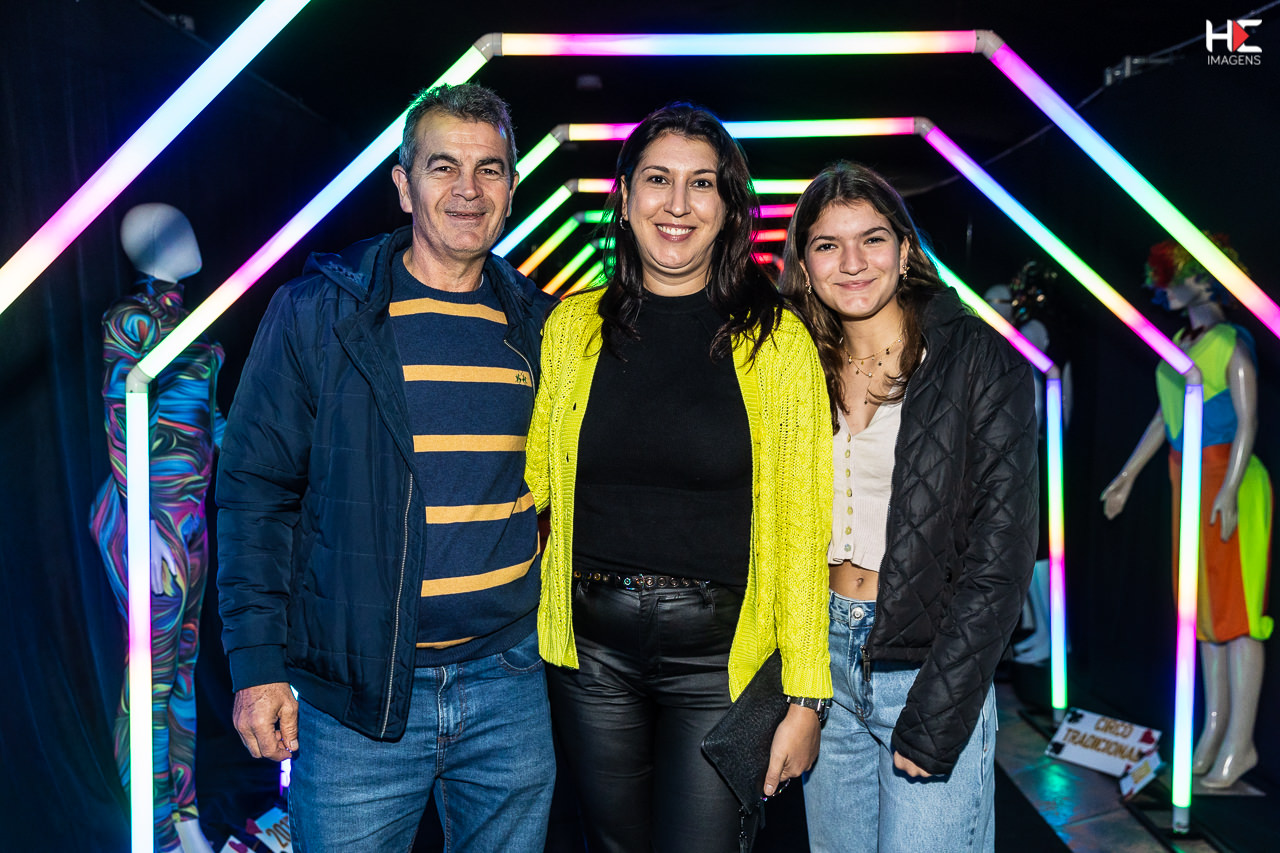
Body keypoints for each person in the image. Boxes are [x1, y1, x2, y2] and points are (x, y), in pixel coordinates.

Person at [216, 83, 558, 851]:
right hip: (355, 698)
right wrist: (257, 664)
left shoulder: (540, 328)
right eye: (443, 166)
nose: (469, 189)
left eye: (490, 169)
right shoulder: (319, 314)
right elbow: (253, 494)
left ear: (511, 187)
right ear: (404, 185)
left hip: (508, 683)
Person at [526, 102, 833, 852]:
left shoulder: (777, 342)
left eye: (702, 184)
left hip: (720, 659)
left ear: (728, 209)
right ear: (626, 196)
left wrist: (807, 697)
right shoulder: (571, 328)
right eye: (658, 179)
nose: (677, 204)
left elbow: (803, 528)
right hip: (590, 654)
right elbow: (534, 486)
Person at [780, 161, 1038, 852]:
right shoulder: (793, 365)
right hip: (821, 666)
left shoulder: (976, 359)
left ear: (904, 250)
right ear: (804, 264)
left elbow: (1002, 555)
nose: (852, 262)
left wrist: (941, 710)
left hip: (928, 662)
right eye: (828, 245)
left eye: (872, 239)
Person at [1101, 235, 1272, 789]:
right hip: (1188, 480)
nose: (1168, 287)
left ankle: (1240, 743)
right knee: (1202, 616)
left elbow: (1249, 421)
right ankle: (1214, 730)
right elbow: (1164, 415)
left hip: (1228, 483)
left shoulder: (1230, 343)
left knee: (1238, 617)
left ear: (1206, 279)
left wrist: (1231, 488)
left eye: (1179, 276)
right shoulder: (1179, 343)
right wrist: (1127, 475)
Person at [89, 202, 223, 853]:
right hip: (147, 522)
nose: (193, 233)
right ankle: (155, 829)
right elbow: (121, 414)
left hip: (188, 521)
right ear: (154, 241)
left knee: (184, 672)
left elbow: (207, 424)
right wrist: (142, 521)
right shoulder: (131, 319)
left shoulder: (191, 328)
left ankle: (185, 816)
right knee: (150, 679)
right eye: (179, 224)